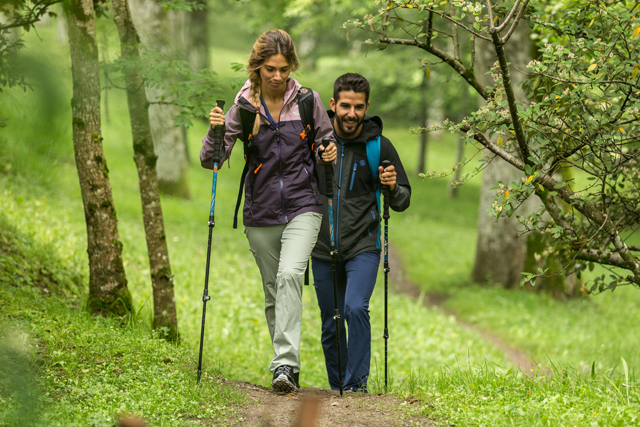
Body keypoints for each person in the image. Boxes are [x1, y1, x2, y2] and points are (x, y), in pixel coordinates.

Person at [200, 29, 337, 393]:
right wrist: (214, 132)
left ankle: (285, 366)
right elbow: (210, 160)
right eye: (270, 69)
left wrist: (329, 151)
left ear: (292, 66)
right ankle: (284, 365)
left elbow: (327, 140)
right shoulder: (243, 107)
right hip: (260, 210)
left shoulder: (308, 100)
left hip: (304, 204)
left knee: (291, 274)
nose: (278, 76)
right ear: (257, 67)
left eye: (284, 68)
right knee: (274, 290)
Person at [311, 73, 411, 392]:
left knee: (355, 307)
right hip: (321, 246)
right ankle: (338, 387)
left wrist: (393, 187)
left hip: (363, 246)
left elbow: (403, 199)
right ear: (333, 104)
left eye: (358, 107)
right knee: (331, 322)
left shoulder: (378, 146)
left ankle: (355, 387)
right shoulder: (315, 139)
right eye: (345, 106)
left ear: (366, 107)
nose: (351, 114)